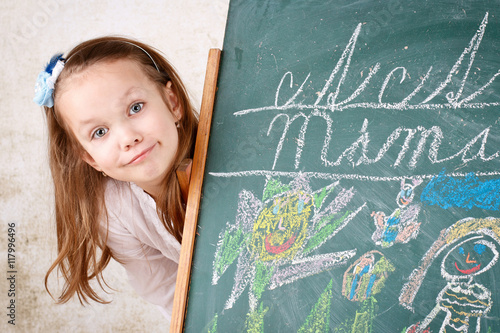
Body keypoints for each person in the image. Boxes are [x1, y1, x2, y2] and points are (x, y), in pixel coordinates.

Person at [33, 36, 198, 319]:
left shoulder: (229, 155)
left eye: (135, 108)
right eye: (100, 132)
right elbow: (170, 292)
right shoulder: (114, 211)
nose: (128, 138)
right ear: (90, 158)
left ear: (172, 102)